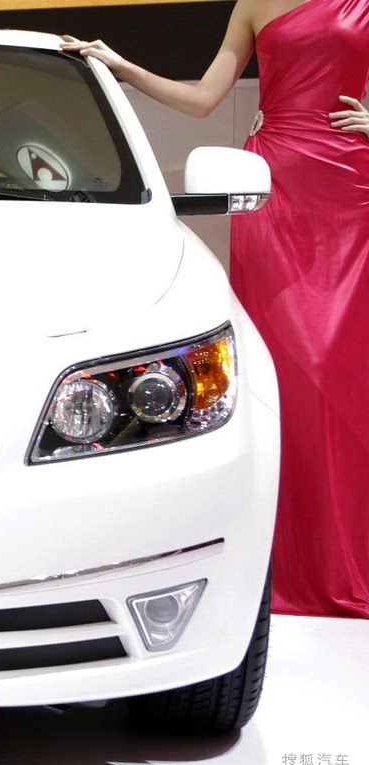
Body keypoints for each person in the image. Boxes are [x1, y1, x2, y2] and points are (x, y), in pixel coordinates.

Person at [62, 0, 369, 619]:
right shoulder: (253, 2)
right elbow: (204, 98)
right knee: (287, 363)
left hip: (348, 185)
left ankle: (344, 557)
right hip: (274, 183)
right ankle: (281, 559)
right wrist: (122, 66)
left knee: (339, 367)